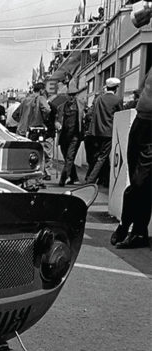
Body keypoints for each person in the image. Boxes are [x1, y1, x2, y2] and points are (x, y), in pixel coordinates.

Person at [111, 68, 152, 249]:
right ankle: (137, 232)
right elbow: (144, 86)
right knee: (138, 181)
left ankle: (126, 225)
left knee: (139, 182)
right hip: (140, 122)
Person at [86, 77, 123, 186]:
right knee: (102, 157)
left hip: (97, 132)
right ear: (116, 88)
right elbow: (121, 114)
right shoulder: (117, 100)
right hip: (109, 133)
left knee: (101, 156)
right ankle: (90, 180)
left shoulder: (98, 99)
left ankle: (105, 180)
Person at [12, 82, 52, 180]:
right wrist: (43, 119)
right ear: (42, 90)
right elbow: (47, 109)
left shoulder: (25, 100)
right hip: (34, 130)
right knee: (38, 153)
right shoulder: (40, 98)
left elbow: (14, 115)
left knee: (24, 154)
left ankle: (24, 175)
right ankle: (38, 177)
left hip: (22, 131)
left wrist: (22, 122)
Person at [54, 84, 85, 186]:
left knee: (69, 157)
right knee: (67, 157)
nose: (71, 97)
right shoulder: (61, 107)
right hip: (64, 136)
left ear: (76, 95)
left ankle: (63, 179)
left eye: (73, 95)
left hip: (75, 136)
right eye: (70, 95)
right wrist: (57, 124)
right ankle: (74, 178)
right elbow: (56, 120)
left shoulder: (81, 105)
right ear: (67, 95)